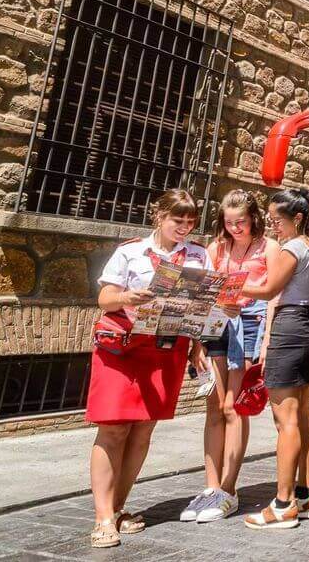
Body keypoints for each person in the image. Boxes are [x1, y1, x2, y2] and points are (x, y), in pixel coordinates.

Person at [87, 189, 210, 548]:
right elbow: (104, 298)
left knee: (142, 432)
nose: (184, 227)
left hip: (166, 349)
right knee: (113, 430)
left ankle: (119, 508)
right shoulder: (130, 251)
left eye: (190, 222)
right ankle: (103, 517)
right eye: (178, 220)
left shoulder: (199, 256)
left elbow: (200, 307)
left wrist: (198, 346)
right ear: (159, 216)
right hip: (124, 350)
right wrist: (127, 297)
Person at [180, 190, 280, 523]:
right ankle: (210, 487)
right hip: (215, 323)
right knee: (213, 405)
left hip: (249, 324)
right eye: (229, 222)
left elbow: (274, 296)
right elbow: (202, 294)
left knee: (233, 406)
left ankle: (229, 488)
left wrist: (266, 341)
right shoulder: (215, 248)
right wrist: (196, 341)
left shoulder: (268, 248)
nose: (235, 228)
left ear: (254, 218)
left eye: (241, 222)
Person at [242, 188, 309, 529]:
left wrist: (229, 285)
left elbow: (267, 290)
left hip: (290, 327)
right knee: (305, 416)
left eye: (277, 220)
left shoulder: (293, 248)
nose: (273, 226)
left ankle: (282, 503)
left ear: (297, 218)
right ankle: (305, 495)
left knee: (285, 421)